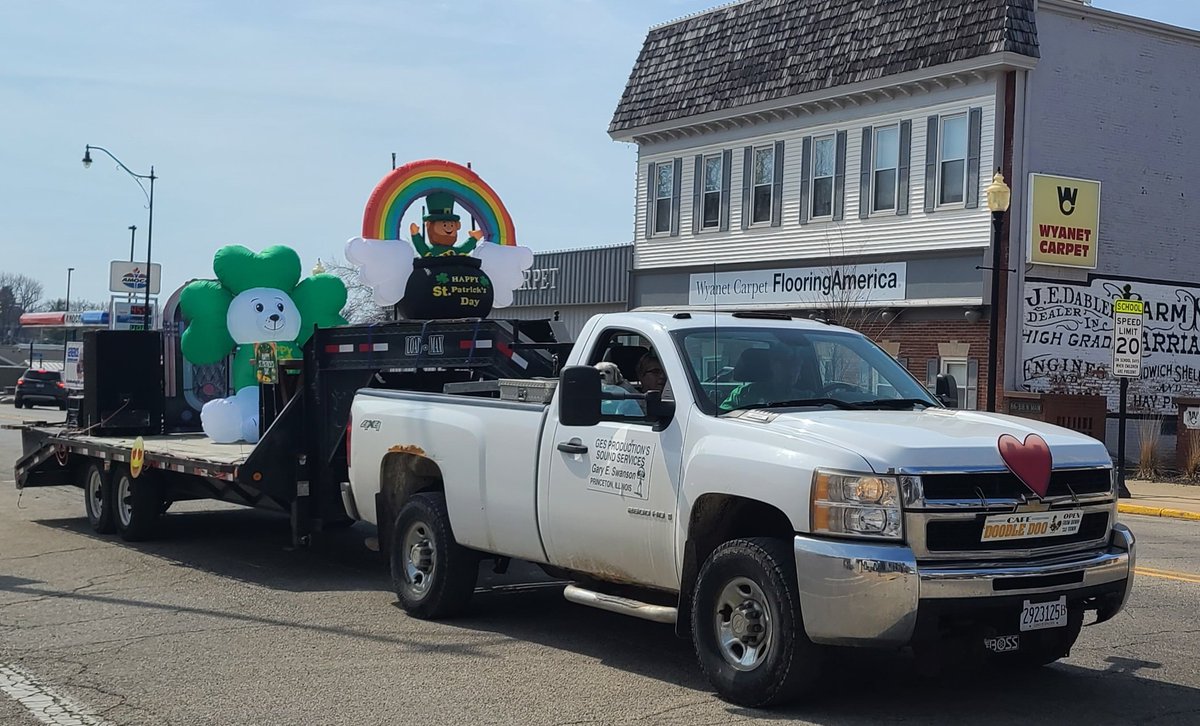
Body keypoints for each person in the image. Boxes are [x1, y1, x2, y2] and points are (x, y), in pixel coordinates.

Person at [407, 191, 485, 258]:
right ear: (429, 225)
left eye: (451, 225)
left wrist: (474, 238)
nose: (449, 228)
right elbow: (422, 248)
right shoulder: (430, 252)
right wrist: (416, 235)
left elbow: (464, 249)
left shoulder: (455, 251)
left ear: (457, 226)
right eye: (444, 225)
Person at [720, 347, 796, 412]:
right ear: (772, 364)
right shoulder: (744, 394)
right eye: (785, 363)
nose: (792, 369)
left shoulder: (805, 397)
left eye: (796, 363)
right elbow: (722, 418)